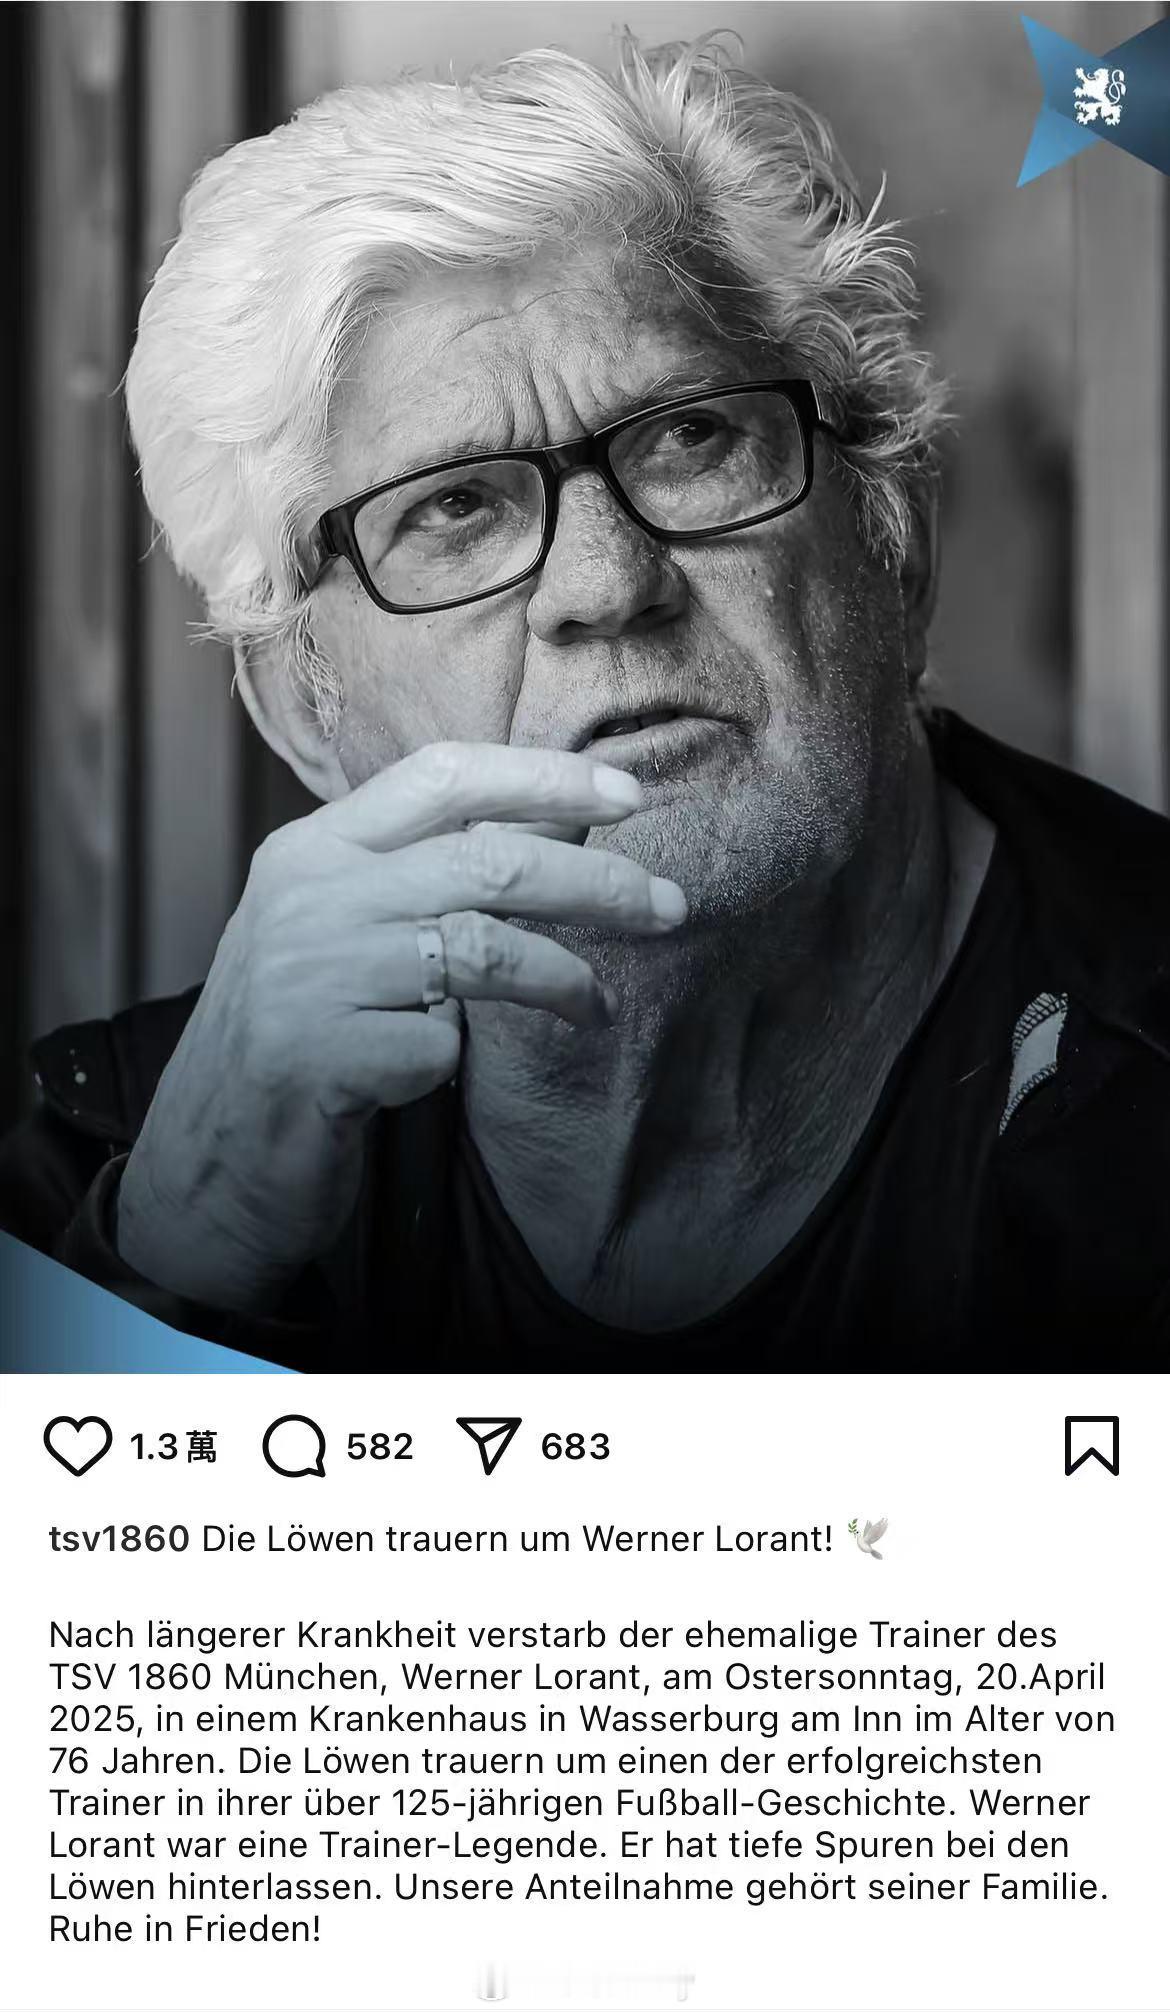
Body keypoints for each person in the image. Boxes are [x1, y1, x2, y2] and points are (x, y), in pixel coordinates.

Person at [3, 32, 1169, 1369]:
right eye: (454, 508)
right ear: (303, 708)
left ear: (891, 545)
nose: (607, 583)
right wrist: (182, 1254)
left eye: (690, 438)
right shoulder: (133, 1171)